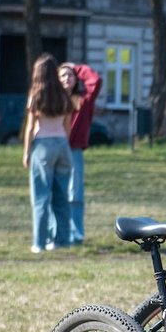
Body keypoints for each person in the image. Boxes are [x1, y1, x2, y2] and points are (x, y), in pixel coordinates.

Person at [23, 54, 73, 254]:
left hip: (42, 146)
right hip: (62, 145)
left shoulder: (36, 96)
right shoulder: (64, 96)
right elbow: (67, 125)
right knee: (61, 197)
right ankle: (62, 240)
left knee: (41, 196)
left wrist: (26, 152)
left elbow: (29, 127)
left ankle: (39, 243)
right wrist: (63, 143)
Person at [57, 62, 103, 246]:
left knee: (75, 195)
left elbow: (96, 81)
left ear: (76, 79)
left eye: (70, 75)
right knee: (57, 194)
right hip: (56, 150)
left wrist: (76, 67)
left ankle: (76, 236)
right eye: (62, 75)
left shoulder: (83, 100)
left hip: (74, 150)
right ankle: (58, 234)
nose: (67, 78)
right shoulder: (53, 100)